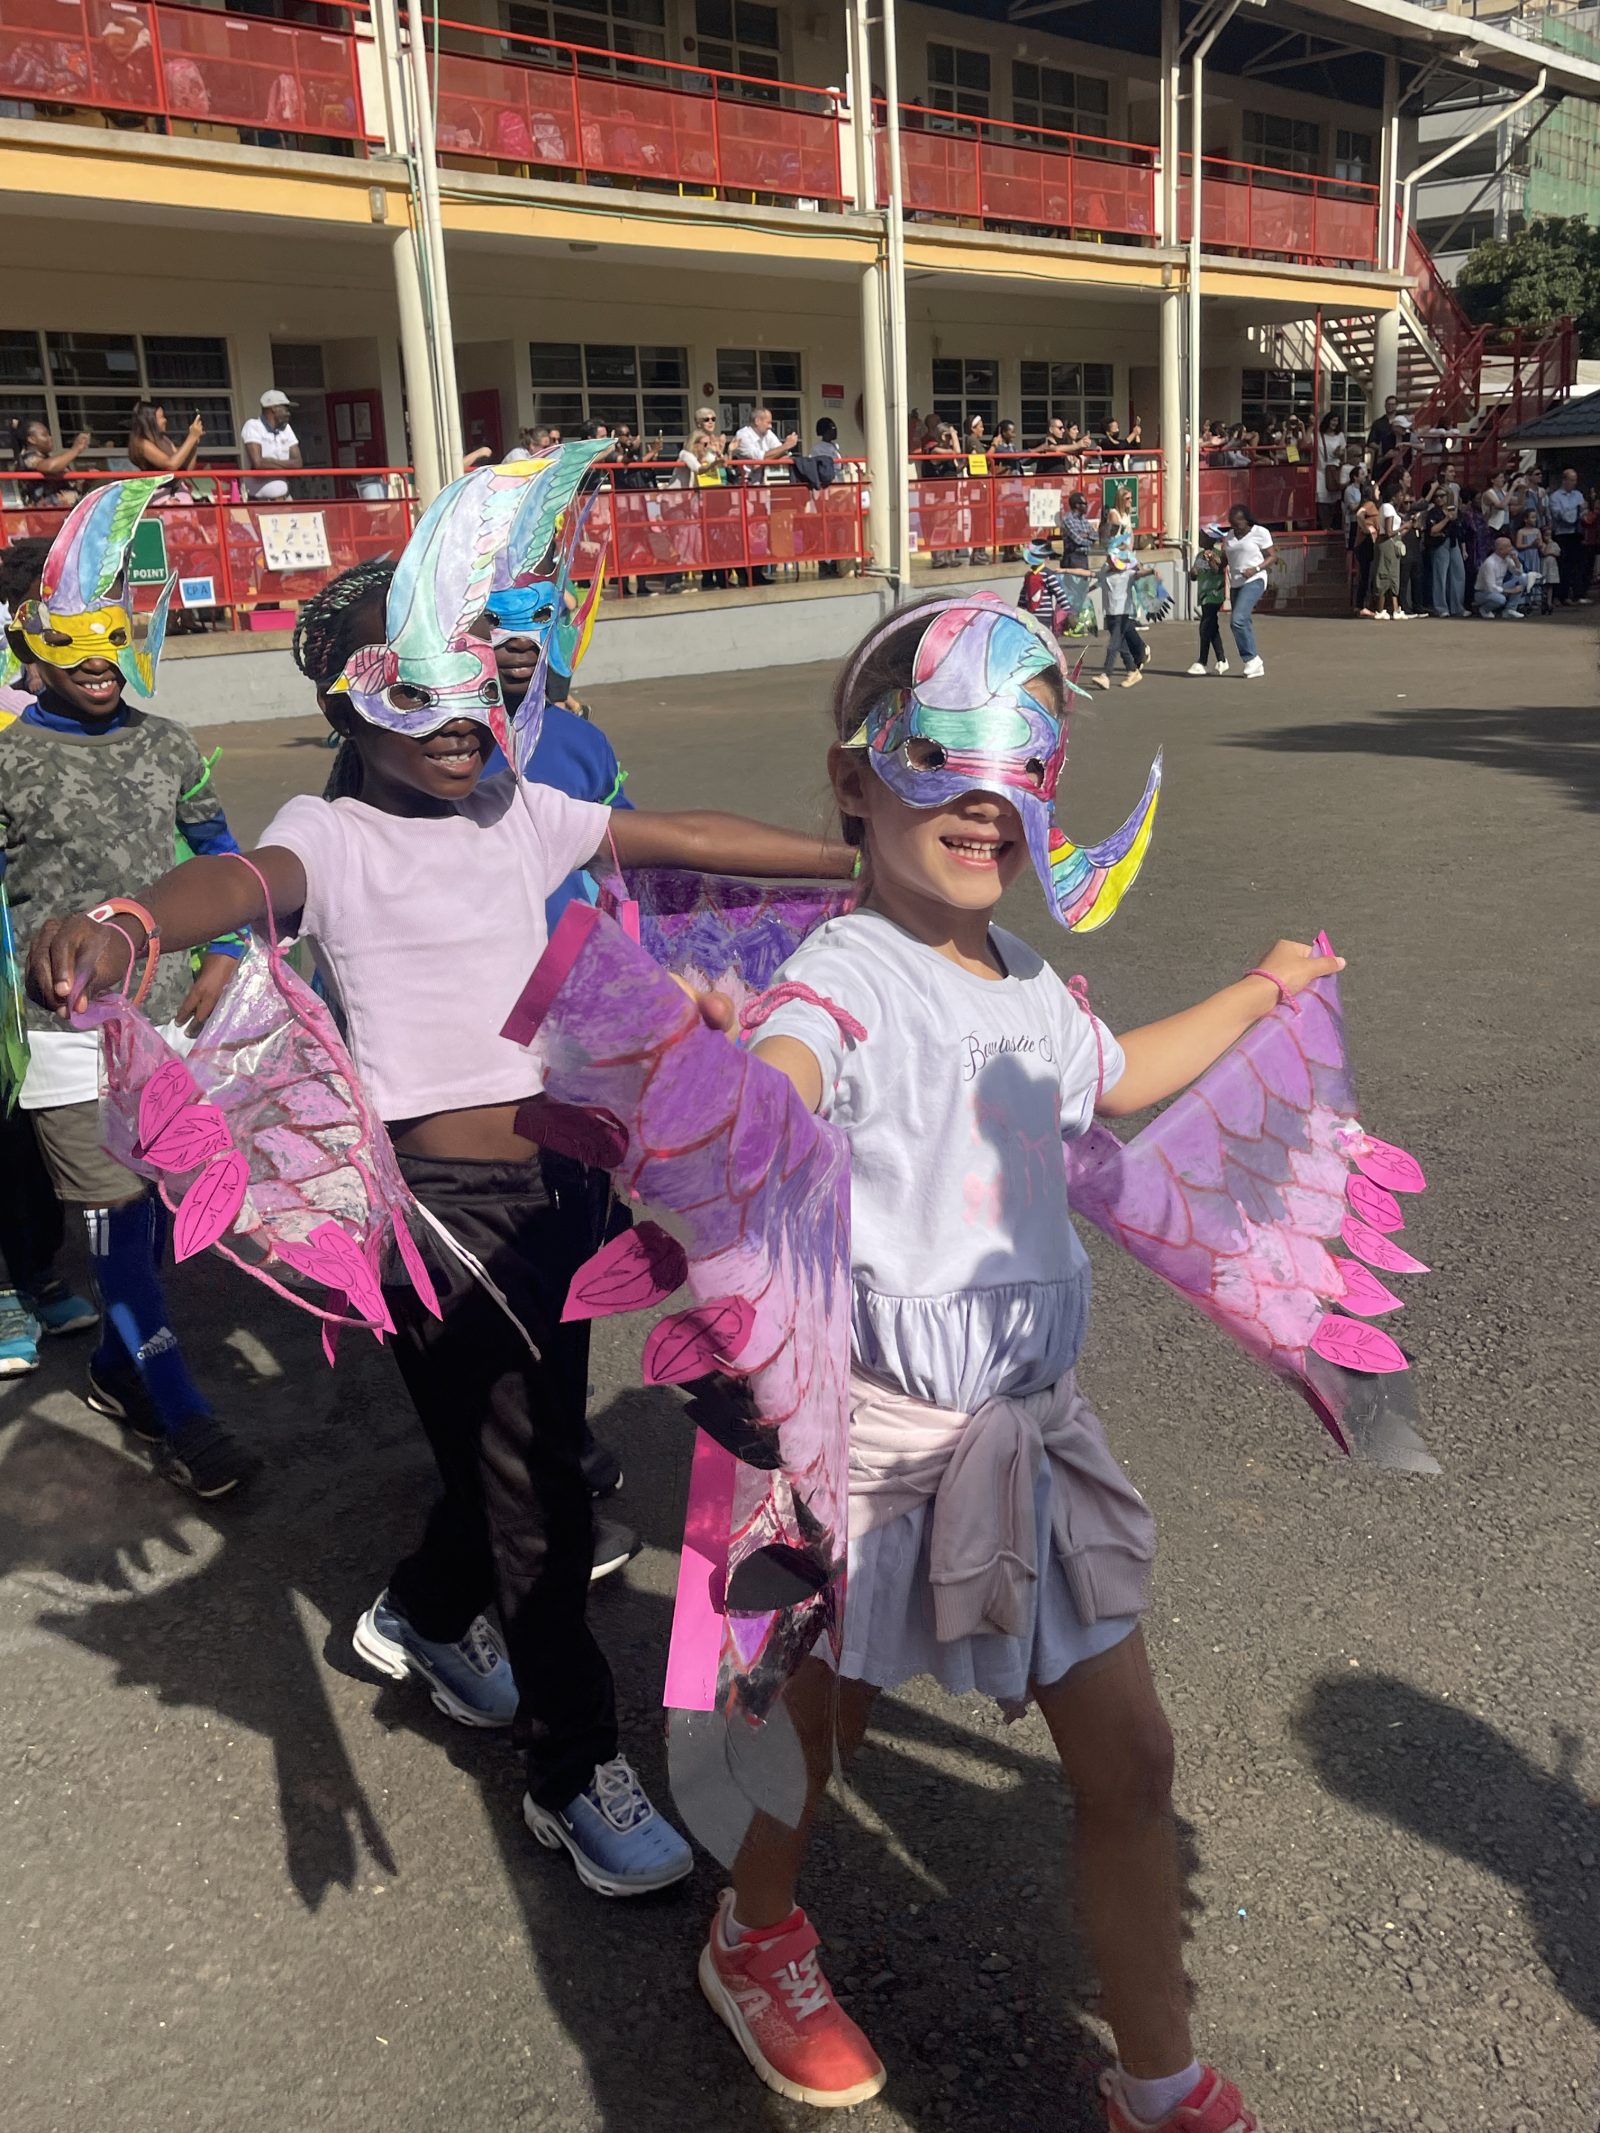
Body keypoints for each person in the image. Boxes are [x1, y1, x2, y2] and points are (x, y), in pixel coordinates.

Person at [31, 487, 860, 1897]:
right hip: (437, 1210)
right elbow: (235, 881)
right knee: (541, 1488)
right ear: (349, 703)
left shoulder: (516, 811)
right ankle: (571, 1769)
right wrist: (122, 924)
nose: (463, 712)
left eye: (477, 674)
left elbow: (668, 836)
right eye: (417, 685)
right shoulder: (333, 832)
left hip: (567, 1183)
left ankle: (422, 1612)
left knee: (516, 1455)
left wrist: (860, 864)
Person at [695, 591, 1334, 2126]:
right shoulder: (842, 978)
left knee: (1132, 1756)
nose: (986, 802)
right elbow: (784, 1077)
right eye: (939, 760)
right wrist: (733, 1091)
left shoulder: (1035, 985)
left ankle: (1157, 2080)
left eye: (1021, 772)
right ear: (855, 783)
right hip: (873, 1442)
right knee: (821, 1725)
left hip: (1033, 1438)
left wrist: (1265, 987)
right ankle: (753, 1933)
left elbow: (1118, 1082)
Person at [3, 485, 251, 1495]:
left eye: (112, 635)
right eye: (73, 639)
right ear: (28, 645)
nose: (99, 657)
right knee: (113, 1222)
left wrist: (226, 946)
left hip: (170, 1026)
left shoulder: (168, 743)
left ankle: (116, 1365)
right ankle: (185, 1417)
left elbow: (220, 851)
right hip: (63, 1038)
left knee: (149, 1217)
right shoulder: (7, 759)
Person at [1090, 513, 1148, 691]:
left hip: (1122, 609)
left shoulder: (1126, 561)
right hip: (1111, 610)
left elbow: (1138, 571)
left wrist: (1149, 573)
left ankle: (1106, 674)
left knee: (1115, 642)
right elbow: (1099, 577)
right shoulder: (1108, 564)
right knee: (1122, 640)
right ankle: (1132, 669)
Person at [1220, 503, 1271, 676]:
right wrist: (1212, 560)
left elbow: (1272, 556)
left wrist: (1255, 569)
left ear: (1247, 520)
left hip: (1255, 579)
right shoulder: (1229, 536)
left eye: (1239, 524)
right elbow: (1224, 562)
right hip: (1236, 583)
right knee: (1243, 622)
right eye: (1232, 525)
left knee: (1237, 619)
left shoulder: (1260, 533)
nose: (1236, 528)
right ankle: (1256, 664)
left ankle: (1251, 659)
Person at [10, 416, 92, 509]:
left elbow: (69, 486)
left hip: (67, 511)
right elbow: (50, 467)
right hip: (47, 514)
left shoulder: (48, 459)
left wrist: (86, 480)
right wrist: (75, 449)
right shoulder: (28, 457)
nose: (50, 438)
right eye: (45, 435)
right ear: (32, 439)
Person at [240, 389, 302, 501]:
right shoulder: (253, 426)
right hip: (260, 502)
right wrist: (286, 466)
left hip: (285, 499)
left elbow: (298, 463)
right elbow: (258, 463)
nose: (288, 413)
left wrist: (270, 461)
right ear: (274, 408)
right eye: (285, 409)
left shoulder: (286, 428)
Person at [126, 400, 204, 484]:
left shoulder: (164, 439)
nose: (165, 420)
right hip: (156, 488)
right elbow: (171, 465)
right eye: (162, 417)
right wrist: (191, 437)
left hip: (176, 486)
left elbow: (186, 468)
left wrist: (193, 443)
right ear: (150, 420)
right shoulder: (142, 443)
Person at [1185, 530, 1228, 674]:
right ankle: (1221, 659)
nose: (1200, 539)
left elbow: (1217, 570)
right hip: (1204, 595)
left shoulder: (1218, 554)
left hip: (1215, 594)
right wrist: (1193, 572)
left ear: (1211, 539)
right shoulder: (1199, 556)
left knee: (1205, 626)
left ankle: (1202, 661)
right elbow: (1194, 576)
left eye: (1203, 537)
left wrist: (1210, 559)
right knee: (1211, 627)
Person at [1547, 466, 1588, 607]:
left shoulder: (1578, 495)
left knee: (1575, 565)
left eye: (1575, 480)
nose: (1574, 483)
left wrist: (1575, 512)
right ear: (1564, 480)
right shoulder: (1555, 497)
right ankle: (1558, 596)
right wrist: (1576, 510)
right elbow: (1562, 517)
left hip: (1576, 534)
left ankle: (1572, 595)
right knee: (1562, 566)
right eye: (1571, 480)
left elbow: (1584, 514)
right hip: (1562, 534)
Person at [1425, 493, 1468, 619]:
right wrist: (1447, 519)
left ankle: (1457, 607)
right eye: (1437, 496)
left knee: (1458, 574)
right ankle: (1441, 608)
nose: (1439, 498)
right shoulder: (1434, 513)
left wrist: (1464, 549)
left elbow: (1460, 531)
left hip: (1454, 543)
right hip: (1440, 544)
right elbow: (1433, 530)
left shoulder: (1454, 510)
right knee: (1440, 576)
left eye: (1442, 496)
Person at [1368, 490, 1407, 621]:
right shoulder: (1388, 508)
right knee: (1385, 573)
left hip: (1391, 543)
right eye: (1399, 495)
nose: (1401, 498)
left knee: (1393, 574)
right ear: (1393, 496)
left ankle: (1395, 609)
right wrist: (1404, 526)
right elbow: (1389, 532)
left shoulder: (1389, 508)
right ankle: (1380, 609)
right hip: (1387, 544)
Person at [1474, 532, 1525, 620]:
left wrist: (1515, 559)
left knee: (1523, 578)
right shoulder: (1490, 563)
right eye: (1508, 547)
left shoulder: (1507, 559)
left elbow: (1519, 573)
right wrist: (1511, 591)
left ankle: (1510, 609)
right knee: (1500, 599)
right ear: (1501, 550)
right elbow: (1490, 587)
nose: (1511, 548)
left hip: (1499, 587)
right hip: (1483, 592)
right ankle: (1484, 609)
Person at [1315, 414, 1346, 530]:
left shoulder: (1340, 436)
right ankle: (1324, 525)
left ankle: (1331, 524)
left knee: (1334, 498)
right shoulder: (1319, 435)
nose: (1334, 423)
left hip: (1334, 470)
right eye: (1333, 420)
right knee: (1322, 499)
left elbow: (1343, 453)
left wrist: (1339, 453)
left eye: (1336, 421)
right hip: (1321, 470)